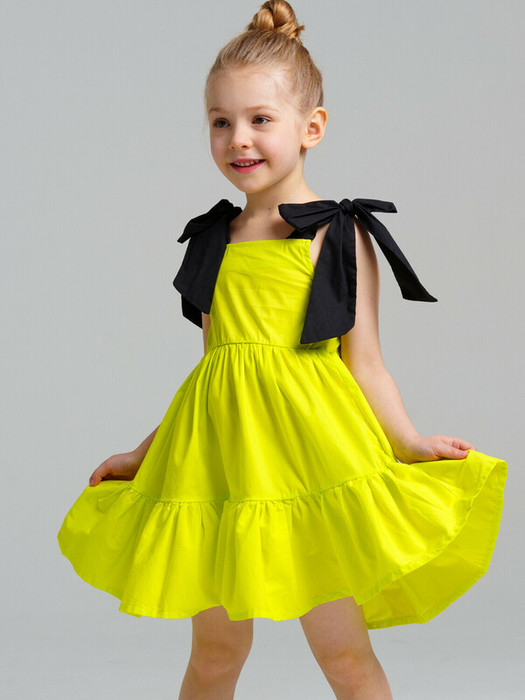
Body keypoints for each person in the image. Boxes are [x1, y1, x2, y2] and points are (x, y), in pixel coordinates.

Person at [57, 2, 508, 698]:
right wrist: (144, 454)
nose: (238, 138)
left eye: (260, 119)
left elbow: (364, 363)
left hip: (310, 465)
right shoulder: (213, 240)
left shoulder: (337, 235)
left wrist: (408, 442)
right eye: (220, 121)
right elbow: (214, 372)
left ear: (311, 127)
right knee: (215, 653)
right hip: (220, 469)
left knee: (343, 656)